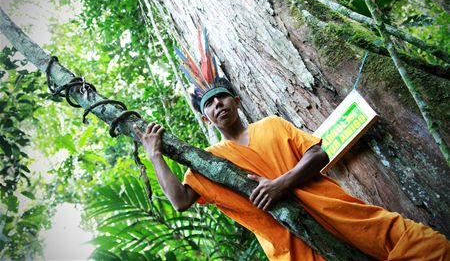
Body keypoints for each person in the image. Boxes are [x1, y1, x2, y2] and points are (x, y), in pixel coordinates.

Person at [133, 28, 449, 260]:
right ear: (206, 119)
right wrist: (155, 155)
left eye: (221, 97)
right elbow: (180, 201)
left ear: (237, 101)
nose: (217, 105)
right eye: (209, 104)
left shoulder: (271, 124)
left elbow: (318, 153)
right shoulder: (211, 161)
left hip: (348, 218)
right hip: (297, 250)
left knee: (430, 249)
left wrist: (280, 184)